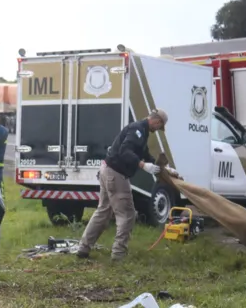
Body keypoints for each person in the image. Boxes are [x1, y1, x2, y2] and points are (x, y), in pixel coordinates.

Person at [76, 109, 179, 261]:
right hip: (117, 174)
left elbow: (145, 154)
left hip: (107, 171)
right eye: (159, 126)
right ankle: (118, 254)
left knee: (103, 212)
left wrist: (164, 168)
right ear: (157, 121)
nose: (157, 129)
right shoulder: (137, 130)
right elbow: (125, 150)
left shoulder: (141, 132)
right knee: (127, 214)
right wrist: (142, 165)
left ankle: (83, 248)